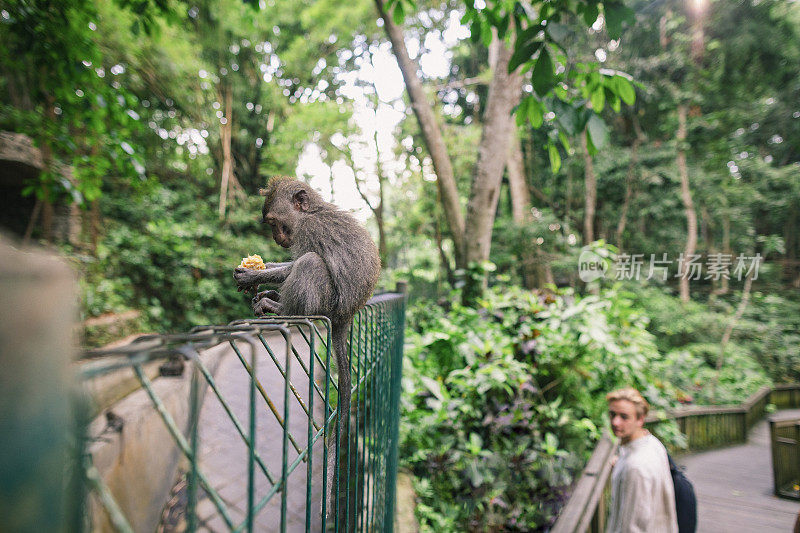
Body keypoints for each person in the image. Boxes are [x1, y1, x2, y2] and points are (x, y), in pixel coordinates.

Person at [606, 387, 678, 533]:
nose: (615, 422)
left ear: (640, 419)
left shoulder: (635, 468)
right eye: (612, 415)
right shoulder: (652, 443)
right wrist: (620, 461)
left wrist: (626, 466)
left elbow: (632, 527)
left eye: (624, 417)